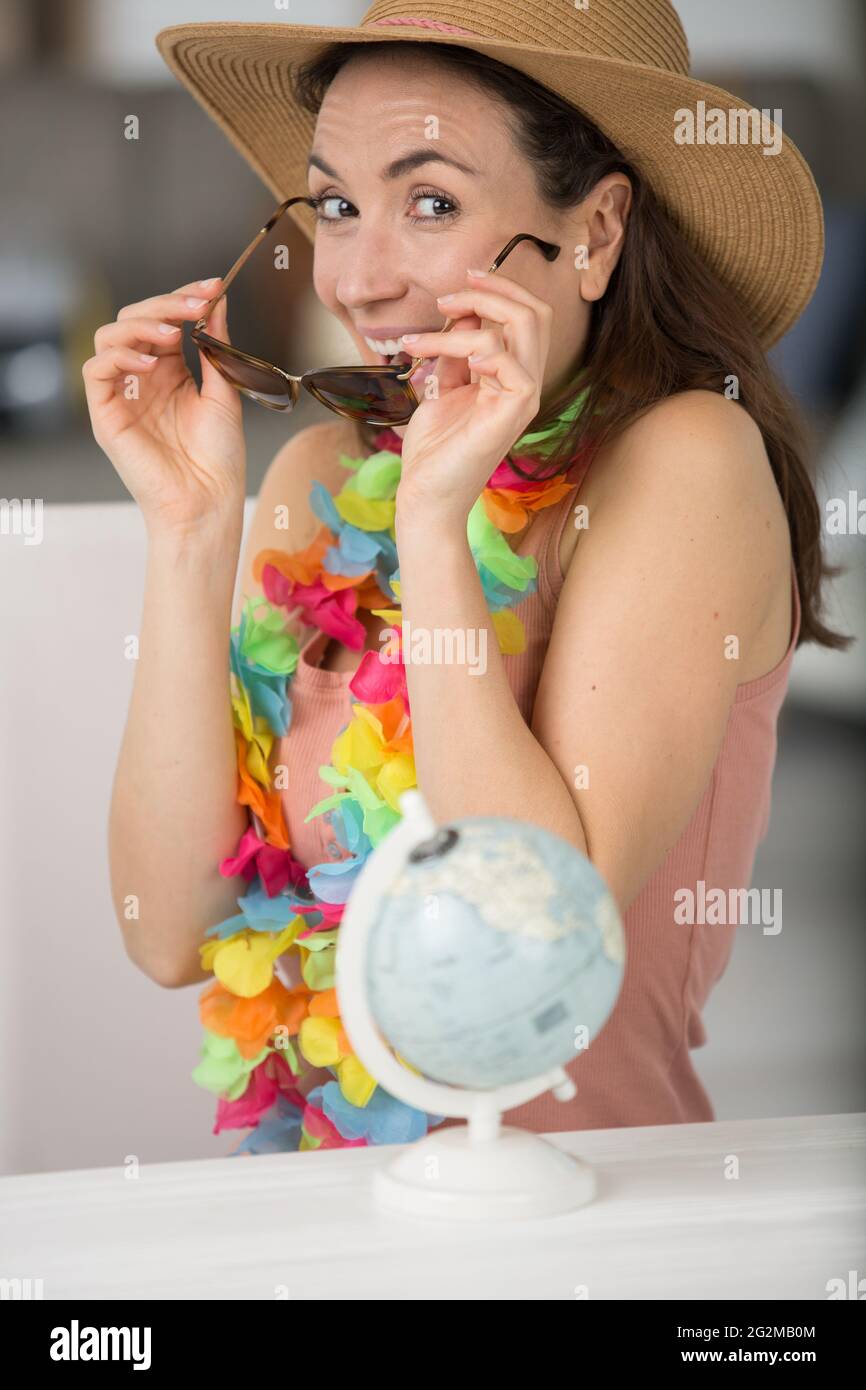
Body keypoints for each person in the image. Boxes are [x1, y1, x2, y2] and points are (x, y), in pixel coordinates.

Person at [83, 1, 848, 1148]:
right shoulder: (321, 470)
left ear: (594, 232)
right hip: (320, 1215)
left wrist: (437, 527)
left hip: (575, 1216)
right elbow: (171, 931)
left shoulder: (684, 461)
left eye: (429, 201)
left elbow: (528, 930)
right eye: (335, 205)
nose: (357, 278)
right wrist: (188, 529)